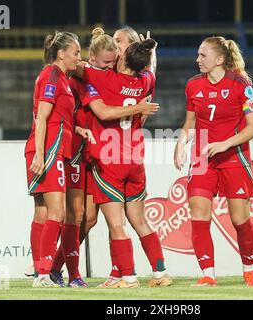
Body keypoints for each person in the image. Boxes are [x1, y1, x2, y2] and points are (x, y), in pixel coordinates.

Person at [49, 28, 160, 287]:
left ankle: (118, 272)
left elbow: (140, 107)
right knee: (83, 217)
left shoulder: (127, 80)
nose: (116, 47)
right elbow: (95, 105)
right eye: (115, 42)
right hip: (83, 149)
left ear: (129, 51)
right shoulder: (93, 74)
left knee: (101, 218)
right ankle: (59, 268)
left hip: (108, 155)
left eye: (121, 43)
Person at [75, 31, 171, 288]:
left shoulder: (105, 78)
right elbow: (151, 71)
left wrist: (85, 51)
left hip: (110, 160)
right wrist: (152, 53)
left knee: (116, 224)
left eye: (119, 48)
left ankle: (127, 277)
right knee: (140, 220)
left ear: (123, 59)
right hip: (134, 159)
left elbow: (75, 66)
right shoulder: (145, 81)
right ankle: (160, 272)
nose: (115, 52)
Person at [174, 37, 253, 287]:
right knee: (198, 213)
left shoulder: (240, 84)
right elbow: (190, 122)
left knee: (239, 219)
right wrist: (180, 143)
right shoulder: (193, 86)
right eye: (198, 55)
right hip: (202, 157)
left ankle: (250, 270)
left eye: (202, 55)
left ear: (219, 59)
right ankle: (208, 274)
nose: (197, 59)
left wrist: (225, 143)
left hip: (234, 156)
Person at [25, 31, 81, 288]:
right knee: (57, 212)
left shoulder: (59, 78)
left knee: (43, 212)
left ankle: (40, 272)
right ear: (61, 53)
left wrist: (78, 130)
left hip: (48, 148)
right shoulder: (53, 75)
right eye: (76, 52)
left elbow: (57, 116)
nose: (79, 58)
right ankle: (45, 273)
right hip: (48, 150)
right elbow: (42, 118)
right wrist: (41, 153)